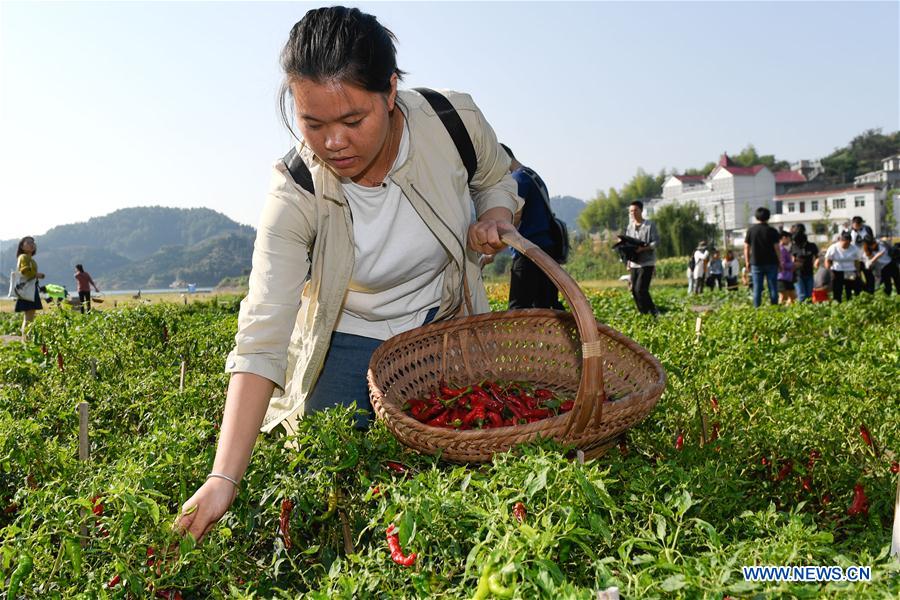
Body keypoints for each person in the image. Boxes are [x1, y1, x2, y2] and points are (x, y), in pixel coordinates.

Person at [174, 6, 522, 543]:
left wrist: (497, 213)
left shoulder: (451, 122)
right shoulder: (295, 193)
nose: (333, 142)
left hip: (440, 325)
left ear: (391, 91)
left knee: (460, 469)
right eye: (313, 123)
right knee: (331, 477)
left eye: (353, 121)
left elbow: (495, 177)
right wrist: (223, 478)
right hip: (346, 338)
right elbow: (263, 332)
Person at [500, 144, 563, 310]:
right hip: (547, 250)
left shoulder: (517, 179)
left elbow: (517, 215)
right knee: (547, 306)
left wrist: (497, 243)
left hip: (528, 252)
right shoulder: (533, 175)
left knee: (518, 308)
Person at [624, 200, 660, 315]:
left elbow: (656, 242)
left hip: (647, 262)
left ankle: (653, 311)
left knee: (641, 289)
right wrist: (628, 262)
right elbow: (628, 245)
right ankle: (643, 312)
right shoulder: (630, 227)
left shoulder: (649, 225)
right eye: (631, 211)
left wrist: (644, 248)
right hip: (634, 262)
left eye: (635, 210)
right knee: (634, 290)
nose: (633, 213)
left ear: (641, 210)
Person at [743, 207, 782, 307]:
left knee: (757, 287)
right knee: (773, 287)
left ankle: (757, 309)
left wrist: (747, 261)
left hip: (756, 263)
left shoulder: (751, 231)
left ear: (756, 217)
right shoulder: (772, 231)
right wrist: (780, 261)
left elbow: (746, 247)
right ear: (768, 217)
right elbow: (777, 248)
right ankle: (775, 308)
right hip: (771, 262)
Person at [13, 236, 45, 337]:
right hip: (28, 290)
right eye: (28, 243)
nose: (32, 244)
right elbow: (25, 271)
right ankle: (26, 340)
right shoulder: (24, 257)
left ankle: (26, 339)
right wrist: (37, 275)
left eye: (33, 243)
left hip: (29, 289)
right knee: (29, 317)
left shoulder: (30, 259)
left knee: (29, 316)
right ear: (22, 246)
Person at [824, 231, 861, 303]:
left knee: (849, 289)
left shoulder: (854, 248)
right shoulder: (833, 248)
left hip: (850, 271)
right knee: (837, 289)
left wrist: (858, 271)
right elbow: (827, 260)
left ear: (850, 242)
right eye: (844, 243)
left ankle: (850, 303)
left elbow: (857, 261)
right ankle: (837, 303)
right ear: (840, 241)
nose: (846, 245)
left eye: (848, 244)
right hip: (837, 270)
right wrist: (828, 271)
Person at [846, 216, 875, 293]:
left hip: (865, 257)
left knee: (869, 275)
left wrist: (870, 254)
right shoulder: (848, 231)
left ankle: (870, 291)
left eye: (858, 225)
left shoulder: (867, 229)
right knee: (856, 277)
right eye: (854, 225)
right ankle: (859, 291)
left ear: (861, 224)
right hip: (854, 258)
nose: (856, 227)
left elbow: (871, 241)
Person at [790, 229, 819, 303]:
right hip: (798, 274)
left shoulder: (812, 246)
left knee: (809, 295)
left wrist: (817, 260)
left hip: (809, 273)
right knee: (801, 295)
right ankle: (802, 312)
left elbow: (817, 256)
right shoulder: (794, 247)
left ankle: (809, 311)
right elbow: (791, 258)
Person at [776, 231, 796, 305]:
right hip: (782, 276)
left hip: (787, 277)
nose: (789, 241)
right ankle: (778, 312)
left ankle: (787, 312)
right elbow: (782, 264)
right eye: (789, 239)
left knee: (792, 297)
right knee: (783, 296)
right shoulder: (781, 250)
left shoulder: (783, 249)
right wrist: (793, 264)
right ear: (784, 238)